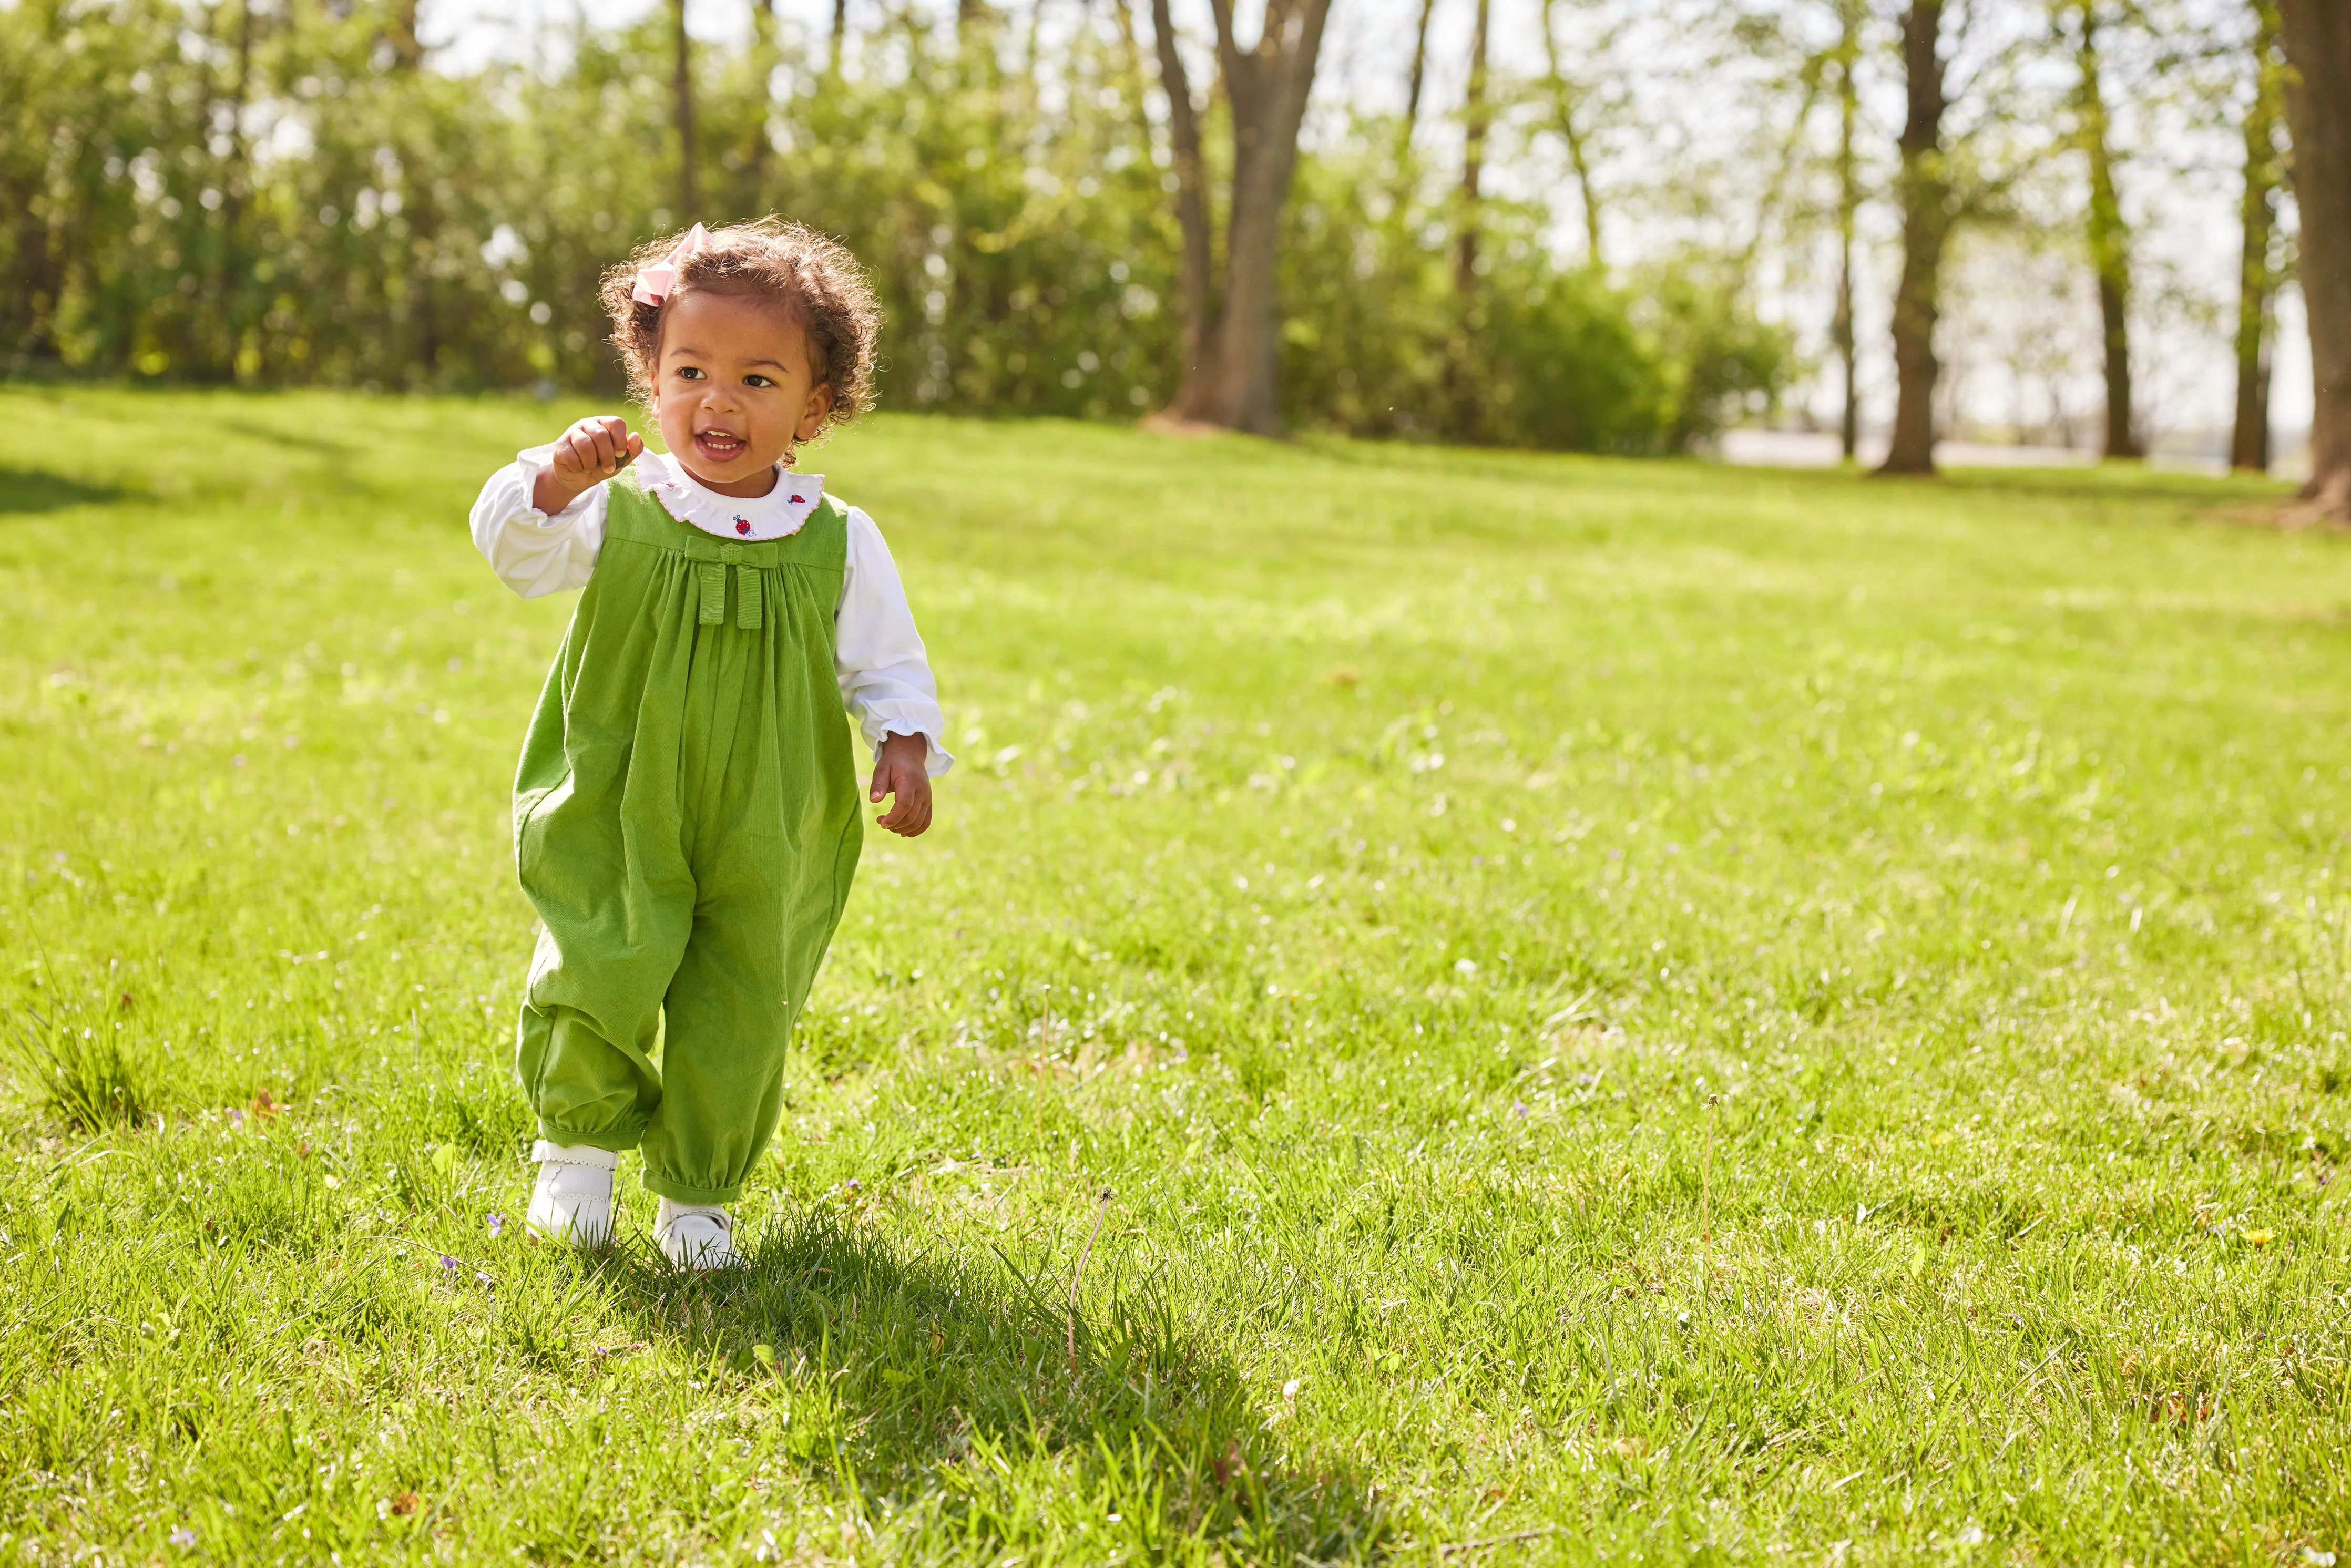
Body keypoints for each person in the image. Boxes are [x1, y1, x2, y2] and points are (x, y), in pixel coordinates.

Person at [466, 219, 950, 1269]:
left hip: (771, 807)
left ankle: (699, 1197)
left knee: (746, 986)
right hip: (622, 780)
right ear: (652, 381)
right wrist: (551, 480)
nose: (717, 402)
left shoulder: (838, 539)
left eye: (758, 379)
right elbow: (517, 553)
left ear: (813, 409)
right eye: (689, 371)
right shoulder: (619, 507)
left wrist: (904, 744)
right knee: (606, 949)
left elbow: (888, 661)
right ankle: (577, 1159)